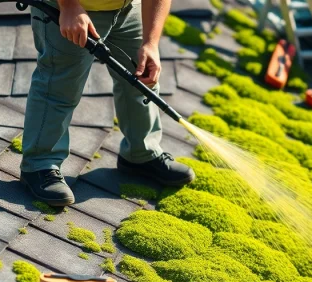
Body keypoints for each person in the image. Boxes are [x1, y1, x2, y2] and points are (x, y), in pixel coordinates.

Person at [20, 0, 195, 206]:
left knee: (142, 82)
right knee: (59, 87)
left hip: (129, 9)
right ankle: (39, 165)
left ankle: (142, 153)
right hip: (73, 8)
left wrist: (151, 42)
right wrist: (69, 7)